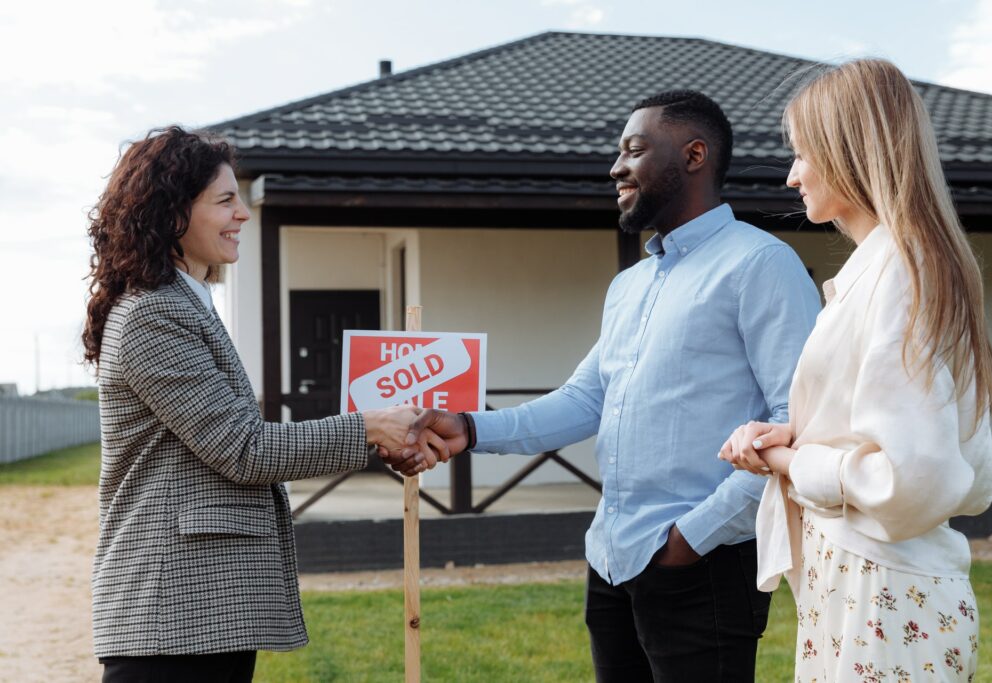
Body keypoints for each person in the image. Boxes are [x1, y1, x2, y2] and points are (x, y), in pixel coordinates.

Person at [391, 91, 821, 681]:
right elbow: (584, 400)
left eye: (634, 150)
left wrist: (690, 539)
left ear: (694, 155)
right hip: (612, 561)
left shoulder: (761, 265)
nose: (616, 168)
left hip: (702, 565)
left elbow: (797, 421)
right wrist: (468, 428)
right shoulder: (629, 285)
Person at [82, 126, 432, 682]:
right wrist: (369, 426)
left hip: (196, 612)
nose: (243, 214)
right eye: (225, 200)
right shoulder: (153, 315)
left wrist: (378, 430)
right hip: (173, 612)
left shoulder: (184, 304)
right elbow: (245, 449)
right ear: (174, 213)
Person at [719, 59, 992, 682]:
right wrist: (795, 436)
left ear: (849, 151)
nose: (792, 176)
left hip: (884, 592)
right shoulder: (901, 265)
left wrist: (788, 461)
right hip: (868, 583)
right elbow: (937, 452)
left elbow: (913, 476)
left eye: (801, 153)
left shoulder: (900, 272)